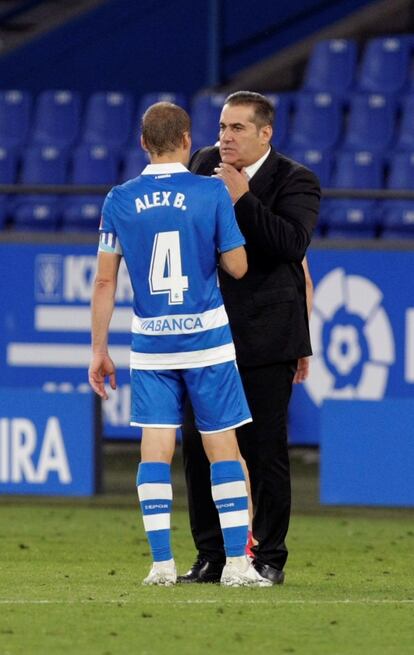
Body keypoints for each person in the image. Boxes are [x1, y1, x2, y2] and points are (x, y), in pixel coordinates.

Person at [88, 101, 273, 588]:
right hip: (207, 342)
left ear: (143, 143)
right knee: (222, 449)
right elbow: (237, 267)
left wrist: (98, 349)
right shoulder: (211, 192)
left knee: (155, 450)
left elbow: (105, 283)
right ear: (189, 140)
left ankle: (161, 564)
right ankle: (236, 564)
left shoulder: (119, 200)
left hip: (152, 347)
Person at [178, 91, 321, 585]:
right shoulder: (202, 165)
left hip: (267, 334)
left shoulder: (296, 180)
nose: (225, 138)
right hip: (205, 330)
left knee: (264, 450)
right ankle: (211, 555)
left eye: (237, 128)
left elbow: (289, 245)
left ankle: (268, 557)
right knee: (199, 448)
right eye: (221, 127)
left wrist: (242, 196)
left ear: (265, 134)